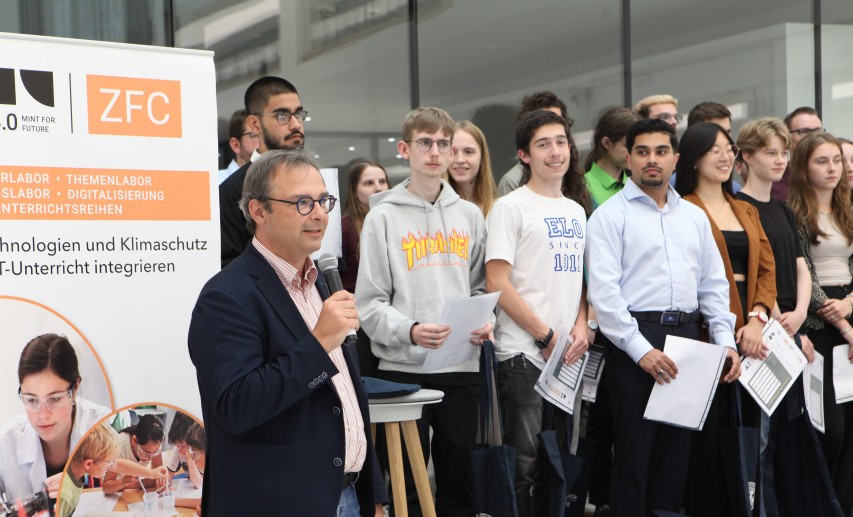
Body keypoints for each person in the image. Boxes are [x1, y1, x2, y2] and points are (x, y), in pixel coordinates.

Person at [190, 149, 385, 516]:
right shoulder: (226, 297)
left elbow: (347, 399)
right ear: (258, 211)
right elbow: (237, 406)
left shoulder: (321, 282)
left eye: (324, 201)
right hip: (277, 503)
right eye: (301, 202)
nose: (319, 214)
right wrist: (319, 343)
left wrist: (373, 492)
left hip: (348, 496)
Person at [586, 118, 740, 517]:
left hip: (690, 340)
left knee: (676, 461)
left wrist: (725, 343)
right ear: (628, 158)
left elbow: (714, 285)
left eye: (660, 152)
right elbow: (605, 296)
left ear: (675, 158)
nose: (651, 160)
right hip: (636, 339)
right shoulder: (609, 217)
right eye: (642, 152)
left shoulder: (692, 216)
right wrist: (641, 352)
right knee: (635, 459)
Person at [355, 107, 491, 517]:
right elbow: (369, 303)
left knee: (460, 483)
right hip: (402, 368)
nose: (434, 152)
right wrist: (409, 330)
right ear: (405, 149)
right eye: (425, 143)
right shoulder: (382, 217)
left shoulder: (469, 215)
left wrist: (488, 322)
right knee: (409, 487)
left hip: (460, 366)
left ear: (452, 152)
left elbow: (482, 288)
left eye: (442, 144)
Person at [485, 109, 589, 517]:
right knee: (523, 466)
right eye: (543, 144)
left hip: (567, 357)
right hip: (523, 356)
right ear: (524, 155)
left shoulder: (576, 211)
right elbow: (497, 283)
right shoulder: (510, 207)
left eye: (561, 141)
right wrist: (545, 336)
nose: (554, 151)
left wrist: (582, 325)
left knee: (558, 462)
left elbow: (579, 281)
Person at [674, 122, 776, 517]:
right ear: (694, 157)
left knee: (748, 436)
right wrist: (729, 327)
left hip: (753, 335)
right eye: (713, 149)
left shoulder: (745, 208)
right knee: (708, 434)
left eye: (728, 148)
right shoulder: (683, 208)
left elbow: (767, 270)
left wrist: (756, 318)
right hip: (706, 335)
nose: (724, 155)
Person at [735, 117, 817, 512]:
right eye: (770, 152)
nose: (780, 160)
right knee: (762, 435)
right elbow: (761, 273)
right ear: (747, 156)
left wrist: (800, 312)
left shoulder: (783, 210)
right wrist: (784, 320)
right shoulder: (739, 208)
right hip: (766, 325)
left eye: (784, 152)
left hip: (790, 324)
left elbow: (801, 266)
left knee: (788, 431)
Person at [788, 132, 853, 512]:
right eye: (821, 161)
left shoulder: (848, 208)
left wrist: (849, 306)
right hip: (818, 323)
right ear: (804, 167)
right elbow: (803, 274)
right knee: (830, 427)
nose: (832, 169)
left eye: (836, 161)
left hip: (847, 310)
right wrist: (839, 317)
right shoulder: (794, 213)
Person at [581, 105, 636, 515]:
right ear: (607, 144)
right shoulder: (586, 189)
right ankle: (599, 497)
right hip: (599, 312)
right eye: (629, 145)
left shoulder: (634, 188)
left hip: (633, 313)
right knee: (599, 417)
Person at [0, 333, 110, 502]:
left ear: (75, 388)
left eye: (55, 399)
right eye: (31, 399)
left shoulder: (104, 423)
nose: (42, 414)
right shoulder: (7, 441)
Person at [219, 76, 307, 268]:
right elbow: (231, 268)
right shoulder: (232, 192)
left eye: (298, 114)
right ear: (255, 124)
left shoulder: (315, 181)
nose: (296, 125)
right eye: (282, 116)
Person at [341, 159, 390, 377]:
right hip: (360, 326)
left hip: (391, 321)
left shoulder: (393, 223)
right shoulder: (345, 228)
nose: (378, 188)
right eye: (369, 183)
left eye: (382, 181)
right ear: (354, 190)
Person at [57, 423, 168, 517]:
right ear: (89, 464)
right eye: (108, 462)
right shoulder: (65, 494)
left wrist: (151, 473)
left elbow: (118, 464)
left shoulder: (77, 467)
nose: (111, 465)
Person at [497, 91, 569, 196]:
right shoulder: (512, 181)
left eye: (558, 120)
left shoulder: (573, 173)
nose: (553, 125)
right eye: (544, 120)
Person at [584, 106, 636, 208]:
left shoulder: (637, 185)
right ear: (606, 143)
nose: (634, 153)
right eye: (627, 146)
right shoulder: (583, 188)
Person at [101, 414, 165, 494]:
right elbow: (106, 487)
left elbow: (157, 477)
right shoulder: (119, 445)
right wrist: (122, 482)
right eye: (146, 453)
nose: (150, 458)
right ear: (134, 441)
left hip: (132, 490)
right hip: (116, 492)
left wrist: (161, 482)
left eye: (154, 453)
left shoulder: (154, 445)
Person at [772, 106, 824, 202]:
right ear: (788, 138)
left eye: (818, 131)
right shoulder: (775, 182)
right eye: (804, 131)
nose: (814, 137)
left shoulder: (834, 175)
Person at [447, 120, 497, 216]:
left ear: (482, 158)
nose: (460, 160)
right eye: (452, 152)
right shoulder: (435, 210)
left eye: (468, 152)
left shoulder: (500, 208)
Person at [218, 109, 259, 184]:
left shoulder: (274, 181)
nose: (263, 142)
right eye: (255, 136)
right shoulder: (217, 181)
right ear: (235, 145)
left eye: (264, 136)